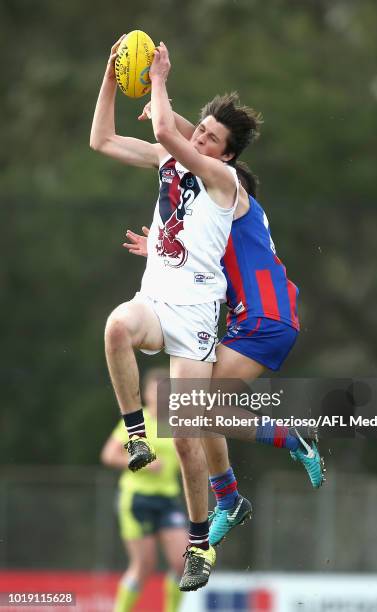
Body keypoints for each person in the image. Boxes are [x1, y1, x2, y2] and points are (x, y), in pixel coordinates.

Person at [91, 36, 263, 591]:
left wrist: (160, 78)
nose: (200, 137)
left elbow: (168, 130)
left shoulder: (225, 181)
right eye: (202, 129)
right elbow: (102, 140)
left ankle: (199, 545)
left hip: (195, 316)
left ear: (227, 155)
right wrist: (112, 78)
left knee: (188, 437)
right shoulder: (175, 156)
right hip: (156, 300)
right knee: (117, 325)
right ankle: (135, 434)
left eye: (211, 138)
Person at [123, 120, 325, 549]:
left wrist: (162, 99)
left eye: (211, 146)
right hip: (255, 322)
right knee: (194, 408)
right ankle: (229, 497)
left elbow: (184, 140)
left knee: (192, 411)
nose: (198, 151)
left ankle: (288, 441)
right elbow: (197, 140)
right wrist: (157, 247)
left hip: (264, 321)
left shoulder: (231, 194)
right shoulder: (216, 212)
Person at [101, 368, 187, 612]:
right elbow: (109, 455)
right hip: (137, 498)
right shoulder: (135, 422)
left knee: (183, 563)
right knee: (144, 565)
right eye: (155, 391)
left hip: (168, 498)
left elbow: (188, 458)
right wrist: (144, 463)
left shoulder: (177, 424)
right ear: (146, 394)